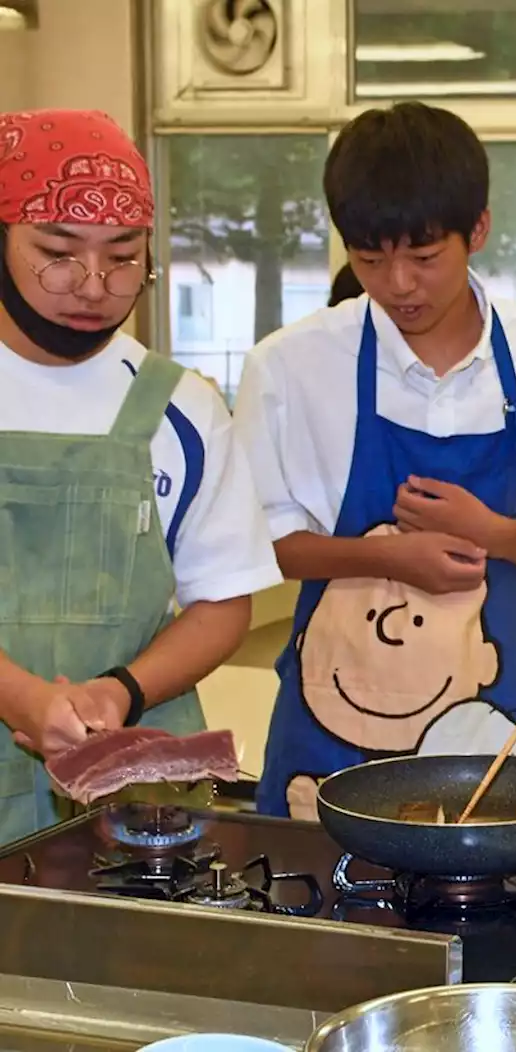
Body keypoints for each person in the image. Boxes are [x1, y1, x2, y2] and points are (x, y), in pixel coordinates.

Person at [233, 102, 516, 820]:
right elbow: (267, 548)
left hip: (484, 710)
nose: (399, 284)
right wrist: (392, 560)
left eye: (425, 257)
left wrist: (489, 532)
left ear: (479, 231)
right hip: (330, 707)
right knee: (317, 908)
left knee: (489, 896)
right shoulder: (291, 367)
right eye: (370, 259)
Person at [0, 109, 281, 842]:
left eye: (124, 257)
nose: (93, 284)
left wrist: (121, 691)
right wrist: (21, 695)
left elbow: (221, 603)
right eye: (58, 253)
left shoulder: (180, 406)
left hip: (134, 787)